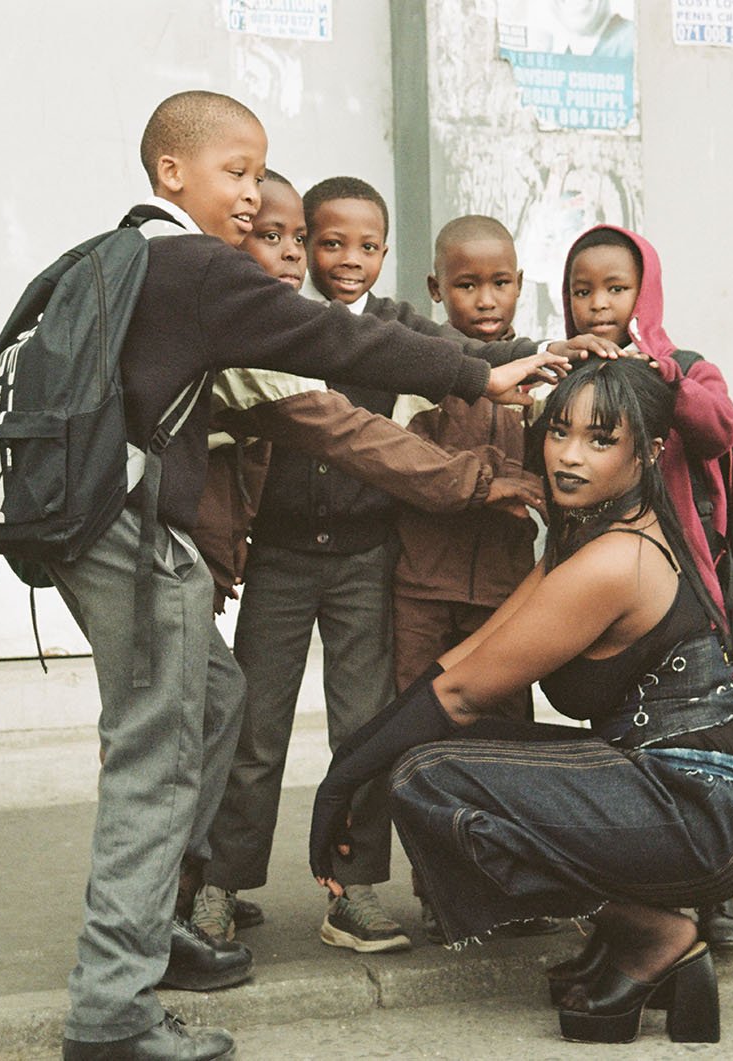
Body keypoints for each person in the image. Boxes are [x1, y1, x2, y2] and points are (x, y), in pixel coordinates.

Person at [0, 91, 585, 1061]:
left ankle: (156, 923)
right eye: (234, 172)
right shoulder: (190, 266)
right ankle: (112, 1008)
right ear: (171, 172)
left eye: (259, 173)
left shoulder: (104, 257)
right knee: (155, 756)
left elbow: (4, 368)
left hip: (93, 527)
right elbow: (332, 340)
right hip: (129, 537)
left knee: (213, 700)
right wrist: (476, 373)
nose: (250, 196)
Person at [308, 358, 733, 1045]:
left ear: (649, 452)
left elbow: (465, 693)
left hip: (709, 811)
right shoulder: (587, 534)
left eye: (601, 440)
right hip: (687, 791)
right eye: (558, 431)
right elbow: (465, 660)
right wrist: (354, 760)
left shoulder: (615, 559)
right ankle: (628, 938)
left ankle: (656, 933)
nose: (567, 456)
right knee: (425, 755)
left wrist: (344, 780)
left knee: (427, 778)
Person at [190, 174, 541, 943]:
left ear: (386, 252)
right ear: (305, 245)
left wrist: (547, 351)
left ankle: (352, 888)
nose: (347, 259)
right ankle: (221, 882)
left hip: (365, 562)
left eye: (366, 245)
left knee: (363, 727)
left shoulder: (393, 329)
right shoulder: (272, 321)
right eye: (327, 242)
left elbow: (473, 352)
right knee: (255, 728)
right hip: (280, 560)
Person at [562, 223, 733, 949]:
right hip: (605, 594)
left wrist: (663, 375)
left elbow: (719, 430)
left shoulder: (689, 366)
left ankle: (720, 897)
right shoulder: (572, 369)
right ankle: (646, 898)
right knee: (625, 746)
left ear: (646, 290)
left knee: (705, 742)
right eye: (584, 291)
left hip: (686, 594)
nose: (599, 304)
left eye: (616, 288)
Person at [392, 214, 546, 942]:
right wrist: (491, 481)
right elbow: (404, 468)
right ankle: (439, 888)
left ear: (521, 283)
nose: (487, 299)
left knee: (509, 736)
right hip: (423, 586)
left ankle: (513, 880)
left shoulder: (544, 371)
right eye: (467, 284)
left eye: (502, 282)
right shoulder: (421, 369)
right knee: (424, 740)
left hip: (508, 595)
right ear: (435, 287)